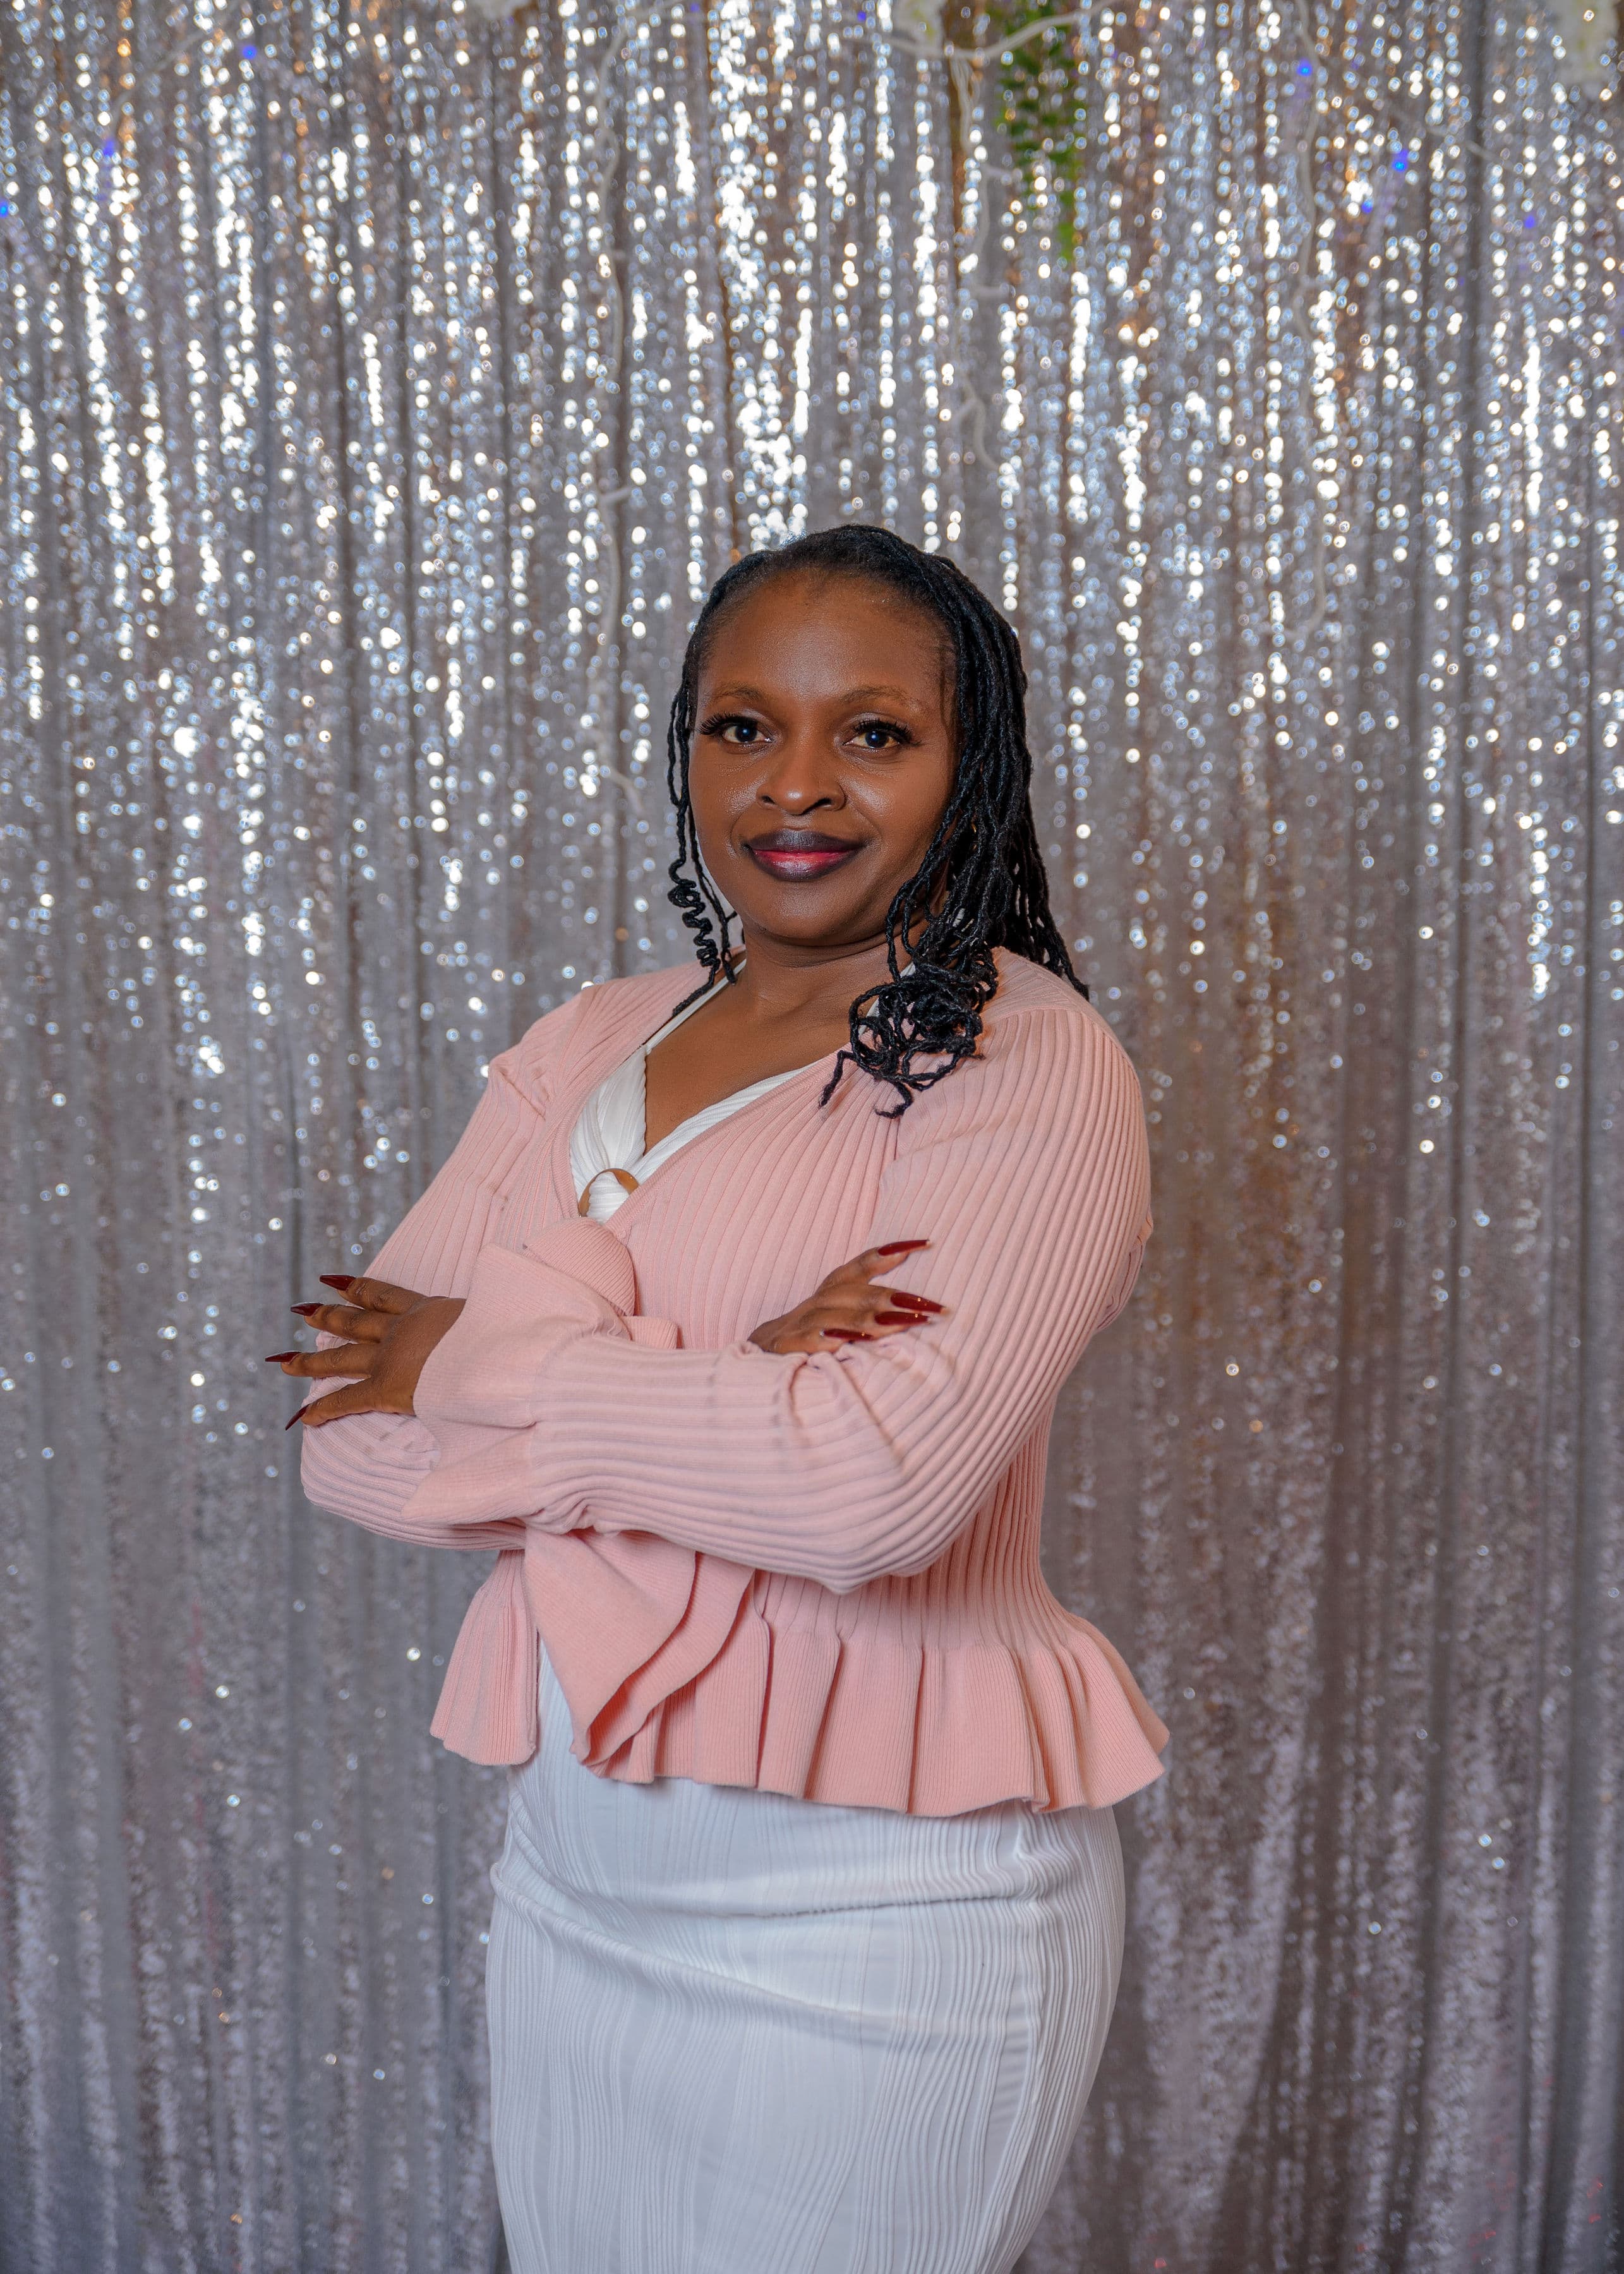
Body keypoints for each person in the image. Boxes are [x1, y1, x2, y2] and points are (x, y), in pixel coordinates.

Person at [275, 525, 1167, 2274]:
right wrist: (737, 1373)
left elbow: (868, 1497)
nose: (795, 788)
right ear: (682, 749)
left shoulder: (1030, 1064)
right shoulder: (582, 1041)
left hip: (880, 1915)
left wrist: (480, 1357)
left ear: (964, 765)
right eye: (740, 727)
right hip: (573, 1886)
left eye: (875, 735)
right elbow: (348, 1445)